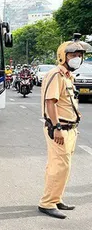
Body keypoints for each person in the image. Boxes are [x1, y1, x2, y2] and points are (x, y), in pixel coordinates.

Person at [38, 36, 91, 219]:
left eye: (79, 55)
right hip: (59, 129)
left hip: (70, 128)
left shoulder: (68, 76)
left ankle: (56, 198)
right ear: (63, 56)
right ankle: (47, 203)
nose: (77, 58)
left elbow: (65, 101)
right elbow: (51, 103)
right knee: (59, 167)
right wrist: (57, 127)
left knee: (61, 166)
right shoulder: (56, 75)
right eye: (73, 55)